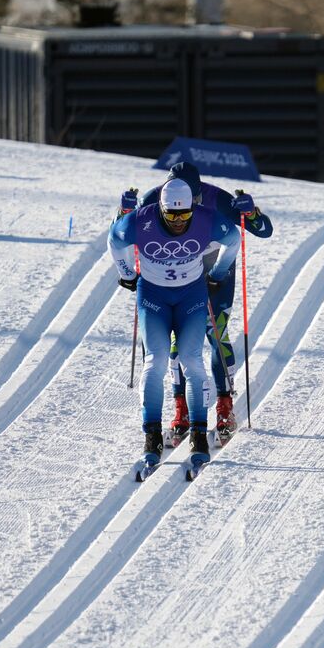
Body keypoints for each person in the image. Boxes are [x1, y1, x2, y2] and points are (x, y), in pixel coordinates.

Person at [121, 162, 271, 446]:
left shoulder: (221, 200)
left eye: (193, 202)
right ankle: (182, 410)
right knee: (177, 344)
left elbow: (264, 231)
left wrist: (251, 212)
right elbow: (120, 233)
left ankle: (225, 406)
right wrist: (124, 211)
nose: (182, 215)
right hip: (173, 280)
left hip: (214, 276)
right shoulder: (152, 200)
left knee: (217, 335)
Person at [109, 179, 241, 475]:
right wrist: (127, 274)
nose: (179, 222)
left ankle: (198, 437)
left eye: (185, 215)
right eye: (172, 215)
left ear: (193, 208)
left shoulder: (205, 218)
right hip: (153, 297)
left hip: (191, 296)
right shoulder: (142, 221)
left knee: (192, 361)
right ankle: (152, 437)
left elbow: (233, 238)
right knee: (155, 362)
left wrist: (218, 272)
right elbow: (115, 238)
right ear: (162, 209)